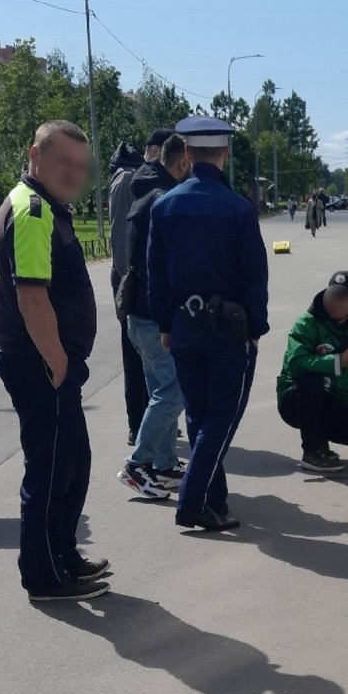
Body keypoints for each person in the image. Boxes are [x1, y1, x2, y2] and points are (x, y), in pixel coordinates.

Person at [0, 120, 108, 601]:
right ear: (35, 155)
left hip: (45, 364)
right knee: (51, 469)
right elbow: (32, 295)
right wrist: (58, 362)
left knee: (72, 461)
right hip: (39, 364)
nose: (73, 173)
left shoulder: (45, 207)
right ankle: (42, 575)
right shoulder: (34, 209)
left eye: (81, 166)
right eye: (63, 161)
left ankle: (63, 555)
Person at [148, 116, 269, 532]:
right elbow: (254, 275)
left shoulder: (164, 205)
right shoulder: (239, 209)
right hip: (228, 330)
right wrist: (257, 327)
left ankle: (214, 499)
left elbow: (156, 273)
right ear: (225, 153)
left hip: (182, 326)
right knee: (221, 415)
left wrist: (165, 323)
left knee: (199, 417)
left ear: (186, 154)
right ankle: (193, 500)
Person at [117, 133, 192, 500]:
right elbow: (165, 268)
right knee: (175, 390)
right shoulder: (165, 200)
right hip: (151, 314)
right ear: (183, 164)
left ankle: (162, 464)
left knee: (158, 389)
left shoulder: (144, 192)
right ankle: (138, 463)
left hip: (137, 313)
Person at [276, 271, 348, 473]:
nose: (335, 302)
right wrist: (338, 362)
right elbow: (296, 363)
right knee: (310, 381)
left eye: (342, 298)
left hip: (333, 403)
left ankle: (320, 440)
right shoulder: (306, 324)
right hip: (294, 400)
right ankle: (312, 451)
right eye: (332, 295)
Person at [110, 137, 161, 446]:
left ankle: (147, 420)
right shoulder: (129, 179)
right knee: (136, 356)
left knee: (145, 357)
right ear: (154, 151)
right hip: (131, 281)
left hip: (131, 279)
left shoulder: (127, 177)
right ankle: (138, 424)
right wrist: (133, 277)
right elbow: (123, 237)